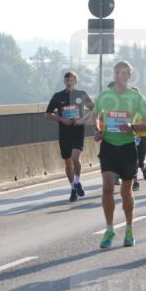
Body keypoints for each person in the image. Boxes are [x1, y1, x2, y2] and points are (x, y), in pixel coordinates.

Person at [94, 61, 146, 248]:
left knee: (126, 192)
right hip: (109, 146)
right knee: (107, 188)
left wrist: (132, 127)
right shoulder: (105, 96)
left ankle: (128, 228)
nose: (118, 75)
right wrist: (99, 130)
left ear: (129, 75)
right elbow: (97, 117)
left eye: (123, 73)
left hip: (127, 146)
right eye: (116, 72)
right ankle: (109, 229)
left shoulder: (135, 97)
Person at [45, 71, 94, 202]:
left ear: (75, 81)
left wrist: (82, 120)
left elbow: (93, 108)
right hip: (64, 132)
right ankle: (73, 188)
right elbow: (47, 114)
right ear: (64, 81)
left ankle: (78, 181)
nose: (69, 82)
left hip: (78, 130)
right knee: (67, 161)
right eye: (67, 80)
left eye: (71, 80)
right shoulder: (57, 96)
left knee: (75, 157)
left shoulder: (81, 94)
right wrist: (61, 119)